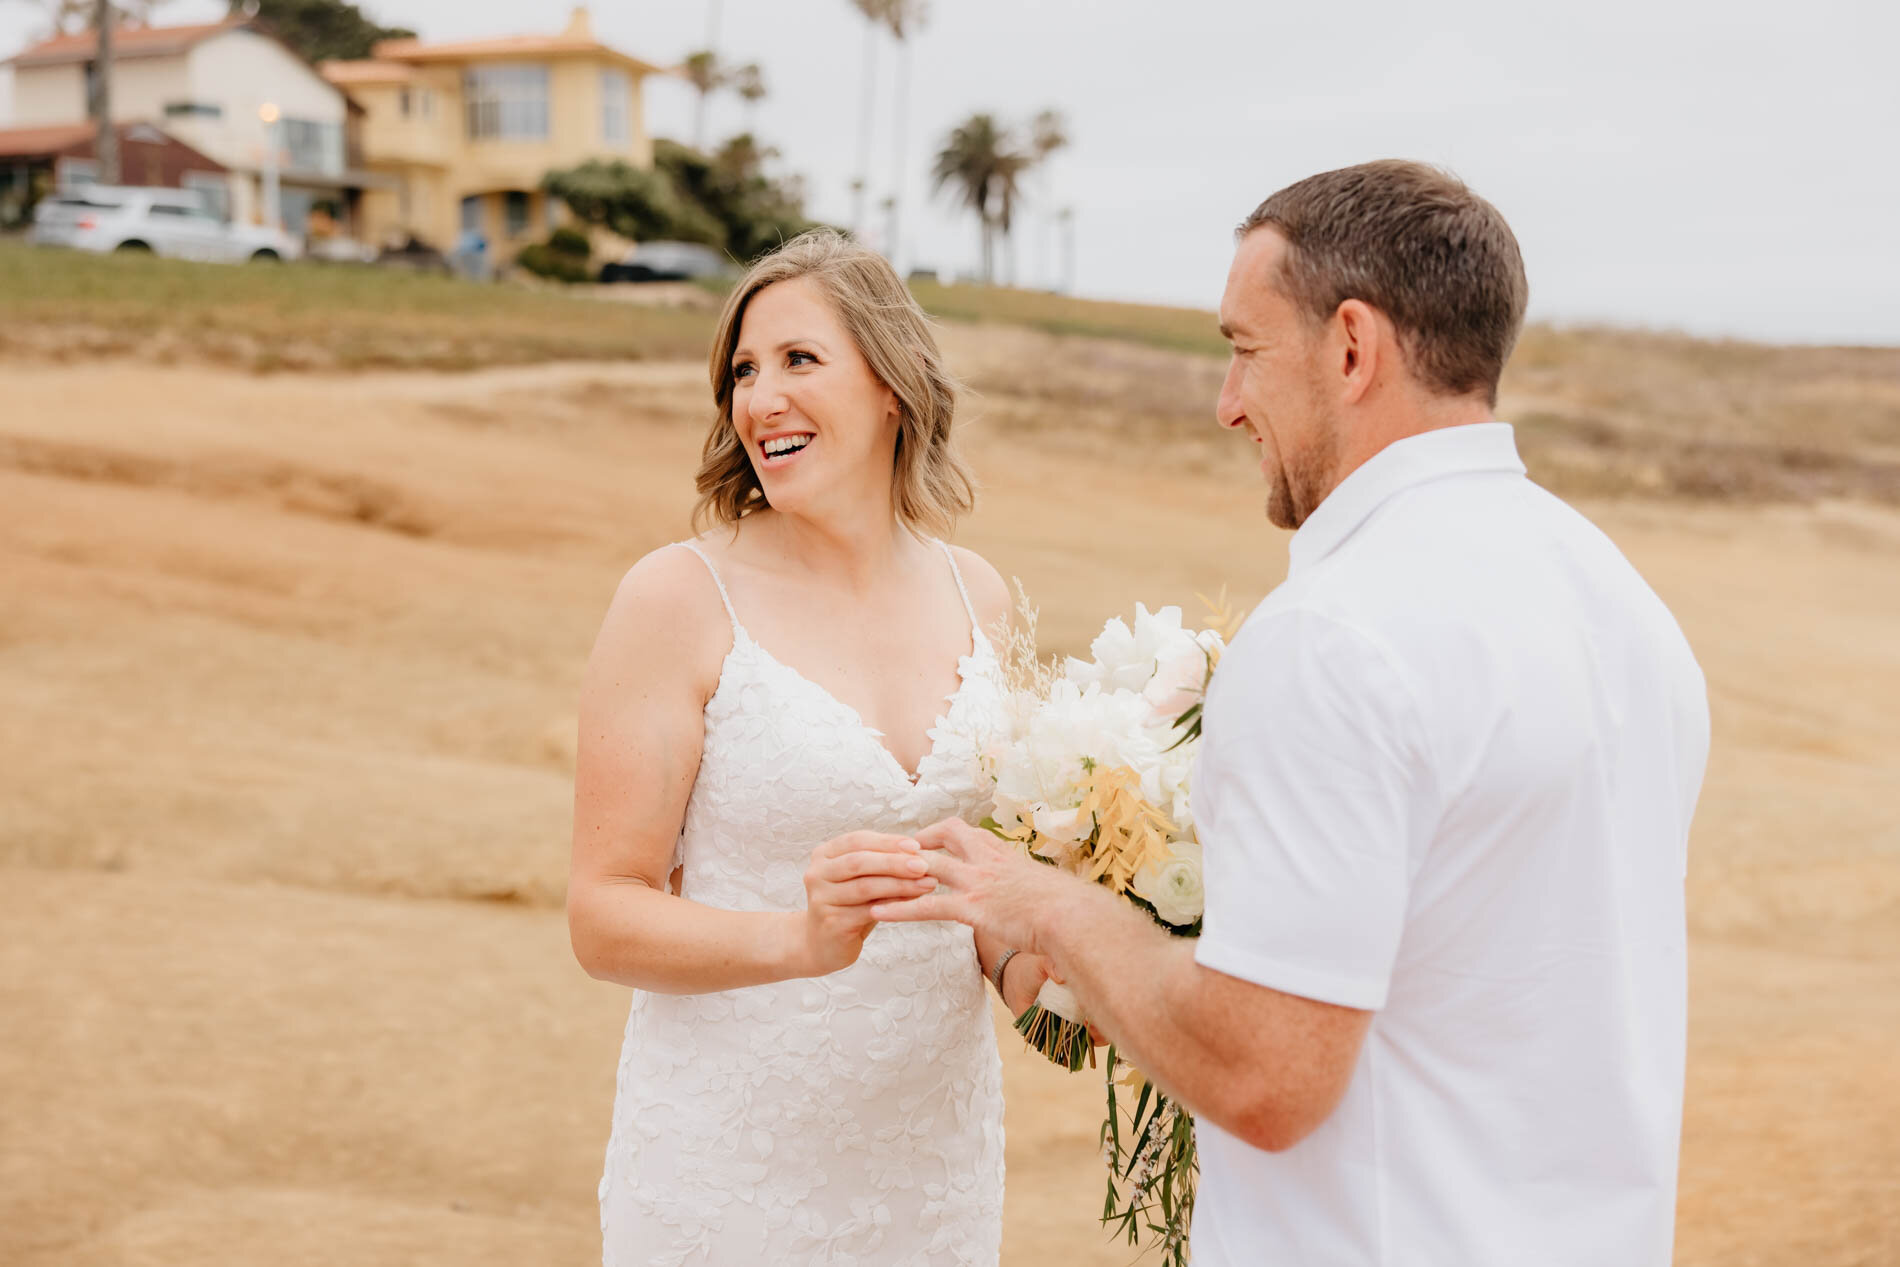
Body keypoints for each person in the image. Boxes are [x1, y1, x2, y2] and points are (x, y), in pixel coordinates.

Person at [874, 160, 1712, 1266]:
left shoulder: (1333, 636)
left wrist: (1052, 909)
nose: (1227, 403)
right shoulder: (1624, 605)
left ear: (1352, 347)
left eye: (1243, 349)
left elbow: (1264, 1075)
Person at [567, 229, 1053, 1266]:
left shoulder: (982, 595)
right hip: (729, 1168)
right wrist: (800, 940)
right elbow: (603, 914)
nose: (759, 399)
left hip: (931, 1170)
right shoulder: (678, 597)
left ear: (890, 383)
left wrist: (1074, 974)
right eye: (743, 371)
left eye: (798, 360)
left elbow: (986, 905)